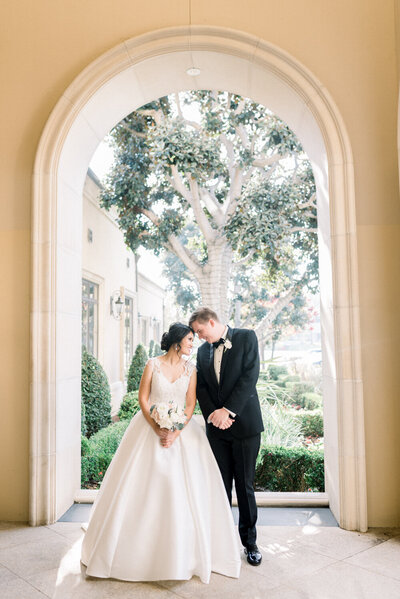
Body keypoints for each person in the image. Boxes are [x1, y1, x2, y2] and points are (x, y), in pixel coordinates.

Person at [81, 322, 241, 584]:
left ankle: (180, 555)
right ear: (178, 342)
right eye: (190, 339)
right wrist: (157, 427)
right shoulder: (152, 365)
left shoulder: (191, 370)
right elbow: (144, 399)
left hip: (183, 434)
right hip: (147, 429)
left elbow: (190, 405)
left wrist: (175, 431)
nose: (193, 343)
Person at [189, 307, 264, 566]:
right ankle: (220, 542)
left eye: (200, 331)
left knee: (244, 486)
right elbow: (202, 387)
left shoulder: (246, 337)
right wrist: (213, 414)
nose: (198, 337)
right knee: (219, 486)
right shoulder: (202, 351)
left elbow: (250, 376)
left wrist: (228, 411)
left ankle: (250, 542)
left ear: (211, 322)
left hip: (245, 426)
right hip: (216, 430)